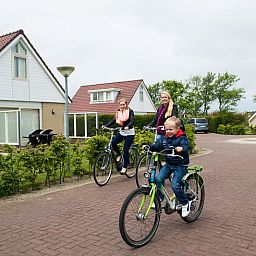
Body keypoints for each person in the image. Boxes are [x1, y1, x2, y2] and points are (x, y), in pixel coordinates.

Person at [146, 116, 191, 217]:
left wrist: (182, 148)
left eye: (171, 129)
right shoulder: (165, 138)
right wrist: (149, 146)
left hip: (180, 165)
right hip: (169, 163)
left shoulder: (181, 137)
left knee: (175, 185)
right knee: (157, 179)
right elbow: (158, 146)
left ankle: (185, 203)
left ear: (178, 129)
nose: (168, 131)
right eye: (166, 129)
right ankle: (160, 197)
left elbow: (186, 146)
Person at [103, 98, 135, 175]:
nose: (122, 106)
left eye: (123, 104)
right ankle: (119, 155)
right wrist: (105, 126)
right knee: (113, 143)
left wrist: (128, 126)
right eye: (121, 105)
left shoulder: (130, 111)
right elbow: (114, 120)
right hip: (122, 133)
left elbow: (132, 121)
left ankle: (124, 167)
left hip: (129, 134)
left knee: (125, 150)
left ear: (126, 104)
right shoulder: (118, 112)